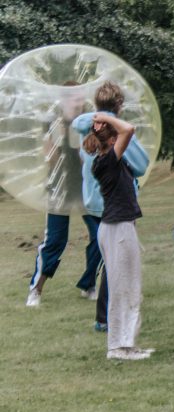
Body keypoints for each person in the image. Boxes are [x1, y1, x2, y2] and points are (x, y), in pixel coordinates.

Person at [71, 81, 150, 334]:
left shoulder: (89, 127)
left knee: (109, 259)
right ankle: (107, 318)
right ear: (119, 105)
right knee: (117, 264)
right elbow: (141, 164)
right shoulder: (115, 132)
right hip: (116, 204)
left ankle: (105, 314)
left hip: (93, 202)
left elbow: (78, 124)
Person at [84, 112, 152, 360]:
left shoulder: (106, 161)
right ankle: (118, 347)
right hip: (118, 229)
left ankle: (126, 344)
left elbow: (126, 131)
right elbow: (129, 129)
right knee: (124, 288)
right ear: (113, 140)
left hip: (117, 227)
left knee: (128, 287)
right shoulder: (107, 162)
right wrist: (107, 117)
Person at [25, 81, 97, 307]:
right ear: (64, 99)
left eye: (81, 98)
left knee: (100, 236)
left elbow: (90, 158)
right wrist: (62, 136)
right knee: (55, 240)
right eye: (75, 98)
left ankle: (88, 284)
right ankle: (36, 289)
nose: (79, 102)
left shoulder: (89, 124)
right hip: (60, 189)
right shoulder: (52, 123)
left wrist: (83, 139)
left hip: (86, 189)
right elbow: (51, 159)